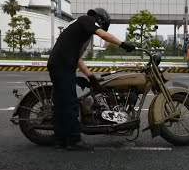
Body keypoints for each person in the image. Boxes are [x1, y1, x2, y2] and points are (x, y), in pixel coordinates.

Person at [47, 8, 136, 150]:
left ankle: (61, 140)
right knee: (70, 103)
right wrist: (122, 44)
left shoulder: (79, 31)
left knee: (62, 103)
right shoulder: (86, 20)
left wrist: (90, 76)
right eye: (101, 26)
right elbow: (103, 35)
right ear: (99, 20)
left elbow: (78, 59)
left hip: (62, 65)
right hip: (61, 66)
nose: (99, 29)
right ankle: (74, 141)